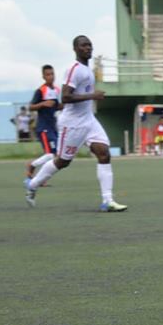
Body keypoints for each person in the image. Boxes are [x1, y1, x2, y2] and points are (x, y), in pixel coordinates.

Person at [25, 35, 127, 211]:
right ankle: (32, 185)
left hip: (89, 120)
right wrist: (93, 95)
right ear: (75, 49)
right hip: (72, 123)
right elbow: (65, 96)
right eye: (83, 45)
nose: (88, 48)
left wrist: (91, 96)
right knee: (62, 161)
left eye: (90, 45)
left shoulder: (88, 70)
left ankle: (107, 201)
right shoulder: (74, 69)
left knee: (104, 154)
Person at [25, 65, 63, 181]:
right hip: (44, 128)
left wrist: (68, 105)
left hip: (53, 127)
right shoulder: (41, 91)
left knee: (55, 154)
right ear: (43, 76)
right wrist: (42, 104)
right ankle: (32, 166)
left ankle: (39, 177)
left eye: (52, 74)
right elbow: (30, 107)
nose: (51, 76)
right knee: (50, 154)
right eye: (48, 74)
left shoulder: (56, 90)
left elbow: (56, 106)